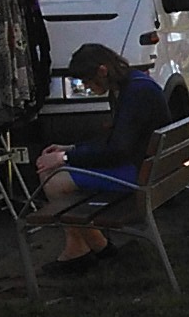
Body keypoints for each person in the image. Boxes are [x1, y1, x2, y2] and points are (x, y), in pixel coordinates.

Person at [34, 44, 168, 270]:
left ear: (102, 71)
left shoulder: (135, 93)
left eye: (87, 81)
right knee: (52, 172)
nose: (86, 86)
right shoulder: (133, 85)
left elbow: (117, 151)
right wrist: (70, 148)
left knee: (53, 180)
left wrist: (66, 158)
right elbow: (117, 140)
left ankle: (94, 248)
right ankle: (82, 248)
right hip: (149, 166)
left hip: (139, 174)